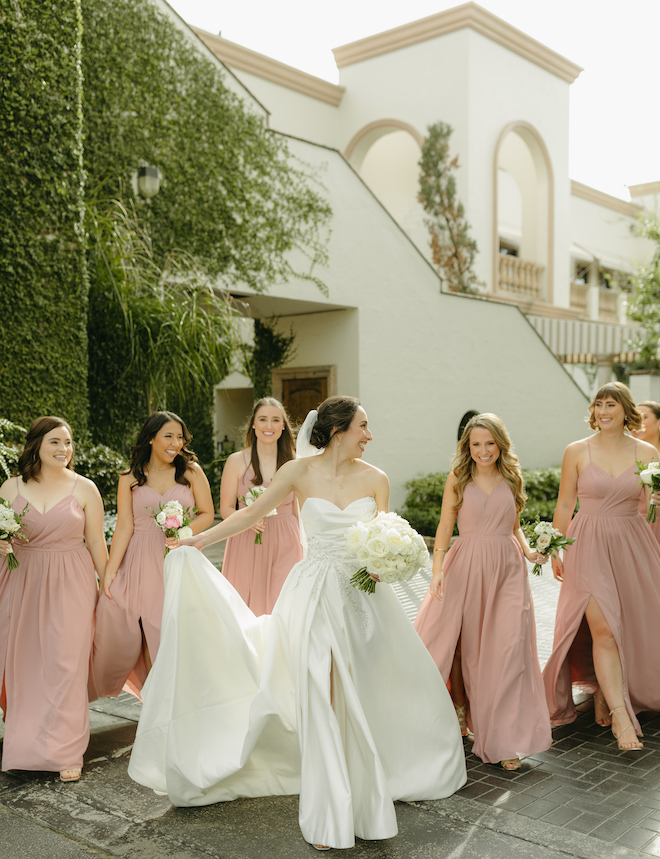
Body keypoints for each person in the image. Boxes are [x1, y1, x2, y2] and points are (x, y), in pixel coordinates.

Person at [127, 396, 467, 851]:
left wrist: (391, 561)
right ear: (339, 429)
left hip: (364, 596)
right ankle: (330, 805)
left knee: (362, 686)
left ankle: (368, 771)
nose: (369, 436)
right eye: (364, 427)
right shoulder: (297, 473)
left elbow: (387, 532)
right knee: (320, 685)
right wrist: (198, 540)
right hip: (313, 593)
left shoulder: (377, 479)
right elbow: (251, 514)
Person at [414, 414, 551, 770]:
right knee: (471, 652)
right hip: (468, 567)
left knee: (508, 650)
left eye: (489, 443)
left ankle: (504, 740)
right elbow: (445, 525)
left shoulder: (512, 476)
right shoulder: (459, 477)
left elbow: (514, 525)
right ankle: (462, 715)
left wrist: (529, 551)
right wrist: (437, 569)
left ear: (500, 444)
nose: (483, 450)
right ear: (467, 446)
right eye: (476, 444)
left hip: (508, 570)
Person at [543, 382, 660, 750]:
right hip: (587, 542)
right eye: (598, 404)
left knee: (627, 624)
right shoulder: (576, 451)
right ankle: (622, 716)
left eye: (611, 404)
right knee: (604, 627)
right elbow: (564, 505)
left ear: (626, 410)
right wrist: (555, 547)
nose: (603, 411)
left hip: (631, 543)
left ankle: (601, 689)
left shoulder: (647, 451)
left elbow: (652, 509)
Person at [0, 416, 107, 782]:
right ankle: (23, 748)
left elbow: (96, 542)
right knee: (26, 666)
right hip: (22, 580)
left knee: (65, 664)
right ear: (36, 447)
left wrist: (108, 585)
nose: (64, 449)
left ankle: (66, 752)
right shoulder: (9, 487)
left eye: (68, 442)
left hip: (72, 581)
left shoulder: (85, 488)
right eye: (55, 443)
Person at [89, 411, 214, 700]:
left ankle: (175, 695)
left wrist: (181, 531)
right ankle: (153, 696)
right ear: (151, 438)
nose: (175, 443)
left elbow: (207, 514)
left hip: (177, 555)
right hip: (139, 557)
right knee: (134, 625)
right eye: (168, 436)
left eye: (180, 437)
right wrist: (109, 570)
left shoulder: (191, 472)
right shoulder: (130, 477)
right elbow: (124, 526)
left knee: (168, 626)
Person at [219, 398, 302, 614]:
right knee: (244, 607)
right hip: (246, 539)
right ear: (253, 425)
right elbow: (226, 508)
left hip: (287, 540)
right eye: (263, 419)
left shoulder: (296, 462)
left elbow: (299, 510)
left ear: (283, 426)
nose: (269, 426)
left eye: (275, 420)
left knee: (283, 604)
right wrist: (247, 520)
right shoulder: (236, 461)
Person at [634, 400, 660, 545]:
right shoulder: (624, 456)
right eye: (635, 417)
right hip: (632, 528)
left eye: (644, 417)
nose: (638, 422)